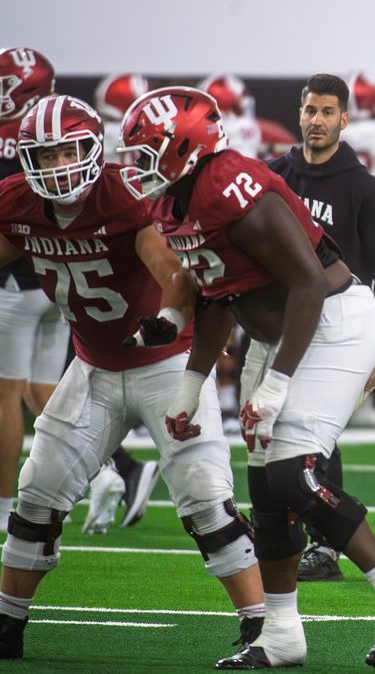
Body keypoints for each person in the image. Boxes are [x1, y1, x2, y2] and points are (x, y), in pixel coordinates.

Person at [117, 86, 375, 668]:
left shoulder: (230, 184)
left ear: (185, 146)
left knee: (293, 473)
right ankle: (282, 633)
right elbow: (217, 294)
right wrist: (191, 385)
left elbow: (309, 283)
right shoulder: (173, 201)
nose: (139, 165)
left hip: (333, 323)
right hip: (279, 336)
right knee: (266, 491)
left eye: (148, 152)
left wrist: (277, 381)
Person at [0, 95, 266, 662]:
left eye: (67, 152)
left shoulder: (122, 193)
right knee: (37, 494)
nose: (57, 167)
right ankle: (6, 622)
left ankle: (261, 627)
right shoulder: (16, 202)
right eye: (45, 156)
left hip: (167, 364)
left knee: (205, 497)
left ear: (94, 149)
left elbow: (172, 270)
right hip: (92, 367)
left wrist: (167, 316)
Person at [269, 74, 375, 581]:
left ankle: (325, 546)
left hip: (341, 328)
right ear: (299, 114)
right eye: (310, 110)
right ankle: (287, 533)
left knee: (315, 434)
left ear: (345, 119)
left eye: (327, 112)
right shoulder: (274, 175)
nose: (317, 120)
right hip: (281, 322)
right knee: (276, 430)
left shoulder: (364, 188)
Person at [89, 71, 161, 533]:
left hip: (104, 262)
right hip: (138, 262)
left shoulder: (106, 147)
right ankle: (119, 468)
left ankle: (117, 469)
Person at [0, 47, 69, 534]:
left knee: (6, 397)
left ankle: (4, 505)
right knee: (45, 394)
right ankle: (111, 473)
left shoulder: (14, 139)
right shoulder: (64, 133)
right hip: (60, 276)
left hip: (15, 281)